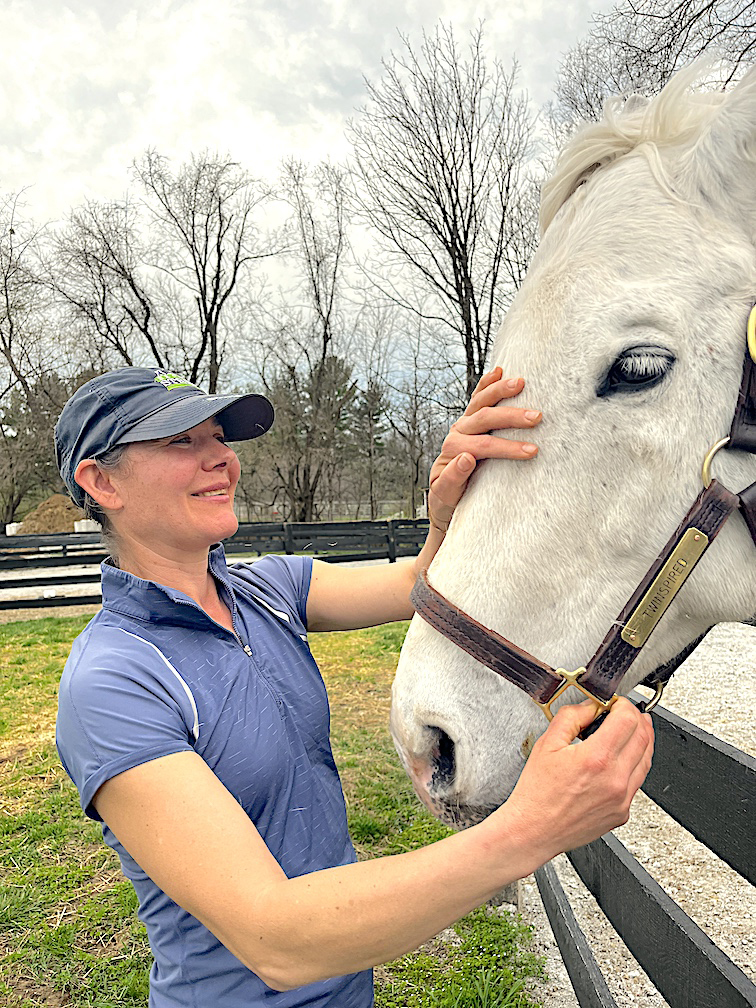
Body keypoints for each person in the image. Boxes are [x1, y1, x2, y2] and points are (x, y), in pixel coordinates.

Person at [54, 366, 654, 1007]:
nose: (222, 461)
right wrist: (535, 827)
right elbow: (275, 936)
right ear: (101, 481)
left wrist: (454, 503)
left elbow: (421, 584)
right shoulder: (113, 681)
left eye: (219, 438)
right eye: (182, 442)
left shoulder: (268, 590)